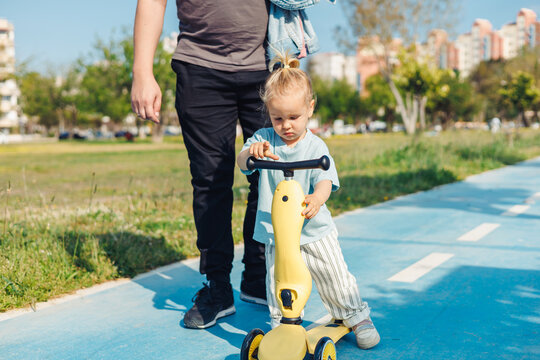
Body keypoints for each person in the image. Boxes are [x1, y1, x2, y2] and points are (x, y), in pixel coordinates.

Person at [130, 0, 269, 329]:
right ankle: (217, 286)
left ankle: (258, 275)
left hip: (267, 64)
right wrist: (141, 71)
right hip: (200, 66)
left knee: (270, 177)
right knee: (210, 180)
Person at [237, 53, 381, 349]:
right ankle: (284, 326)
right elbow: (241, 160)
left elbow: (326, 180)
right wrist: (253, 152)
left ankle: (356, 316)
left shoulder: (316, 145)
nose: (286, 126)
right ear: (268, 113)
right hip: (277, 232)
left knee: (332, 274)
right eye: (278, 118)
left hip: (314, 229)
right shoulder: (264, 139)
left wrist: (317, 198)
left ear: (309, 109)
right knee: (278, 279)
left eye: (293, 117)